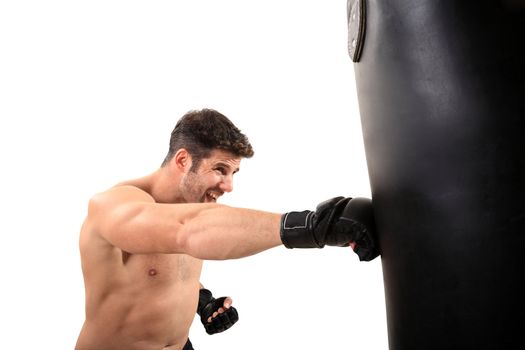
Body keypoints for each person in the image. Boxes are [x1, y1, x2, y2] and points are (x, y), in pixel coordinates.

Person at [75, 108, 379, 350]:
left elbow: (161, 268)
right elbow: (187, 231)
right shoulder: (113, 206)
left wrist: (203, 301)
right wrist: (312, 228)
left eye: (233, 173)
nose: (228, 186)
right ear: (183, 160)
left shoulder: (192, 206)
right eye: (220, 170)